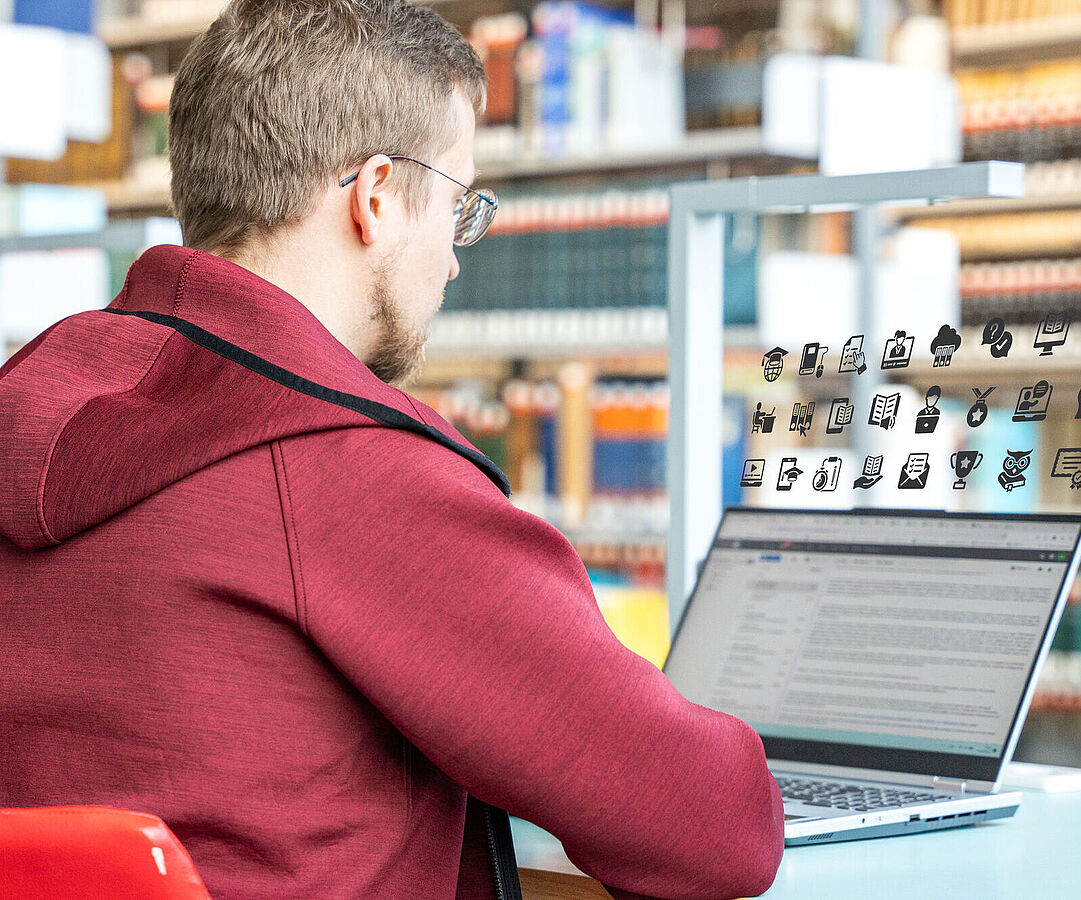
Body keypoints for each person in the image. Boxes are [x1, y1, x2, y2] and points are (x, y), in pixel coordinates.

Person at [0, 2, 783, 898]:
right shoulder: (347, 470)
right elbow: (719, 825)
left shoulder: (24, 399)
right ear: (376, 197)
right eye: (459, 206)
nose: (454, 261)